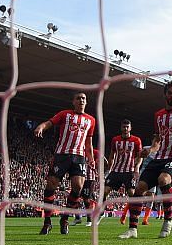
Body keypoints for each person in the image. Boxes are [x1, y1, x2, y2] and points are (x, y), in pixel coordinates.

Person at [119, 80, 172, 239]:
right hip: (159, 157)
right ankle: (132, 229)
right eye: (169, 92)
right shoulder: (158, 115)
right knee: (139, 188)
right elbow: (157, 141)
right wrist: (149, 150)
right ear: (165, 94)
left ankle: (168, 220)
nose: (171, 95)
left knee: (163, 180)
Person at [34, 92, 96, 235]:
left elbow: (89, 142)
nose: (81, 100)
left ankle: (65, 219)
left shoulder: (91, 120)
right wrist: (41, 127)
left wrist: (91, 159)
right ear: (73, 101)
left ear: (86, 102)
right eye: (79, 98)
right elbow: (49, 123)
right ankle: (47, 222)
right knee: (51, 185)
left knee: (78, 187)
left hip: (79, 157)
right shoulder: (64, 114)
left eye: (84, 99)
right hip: (62, 155)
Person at [101, 119, 143, 225]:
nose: (125, 129)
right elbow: (112, 155)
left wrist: (136, 168)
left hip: (129, 171)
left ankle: (133, 219)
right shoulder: (115, 140)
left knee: (132, 193)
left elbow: (139, 156)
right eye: (124, 127)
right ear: (121, 128)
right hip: (116, 170)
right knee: (104, 191)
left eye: (127, 127)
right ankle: (101, 212)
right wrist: (109, 169)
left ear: (130, 128)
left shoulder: (136, 140)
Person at [71, 148, 106, 227]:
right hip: (78, 177)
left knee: (87, 199)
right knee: (73, 197)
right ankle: (77, 218)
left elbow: (102, 162)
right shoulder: (77, 151)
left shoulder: (95, 152)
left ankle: (89, 219)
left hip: (89, 178)